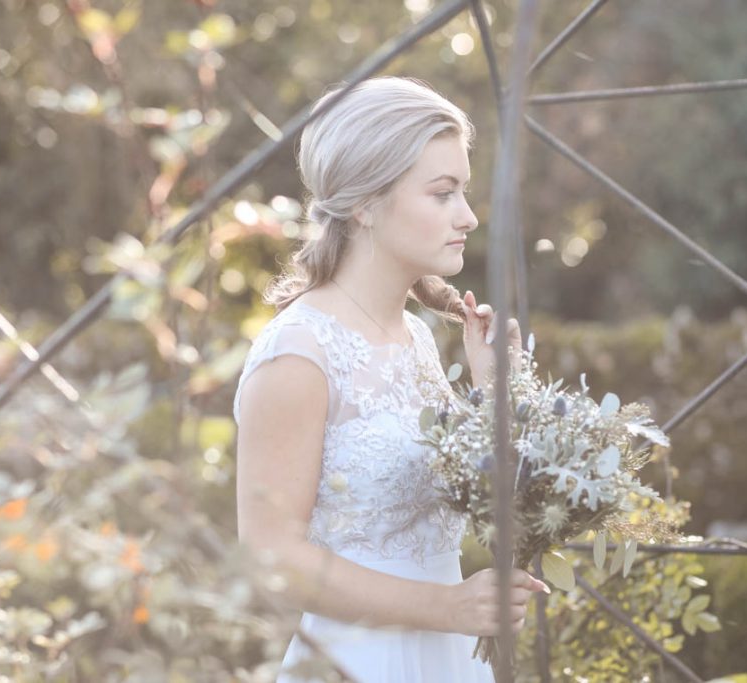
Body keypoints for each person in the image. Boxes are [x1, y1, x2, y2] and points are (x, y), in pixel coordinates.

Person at [233, 76, 548, 683]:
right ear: (365, 203)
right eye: (443, 194)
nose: (468, 216)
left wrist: (493, 394)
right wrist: (447, 607)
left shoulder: (418, 337)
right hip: (356, 664)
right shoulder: (298, 355)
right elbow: (269, 555)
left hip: (450, 661)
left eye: (464, 192)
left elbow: (458, 505)